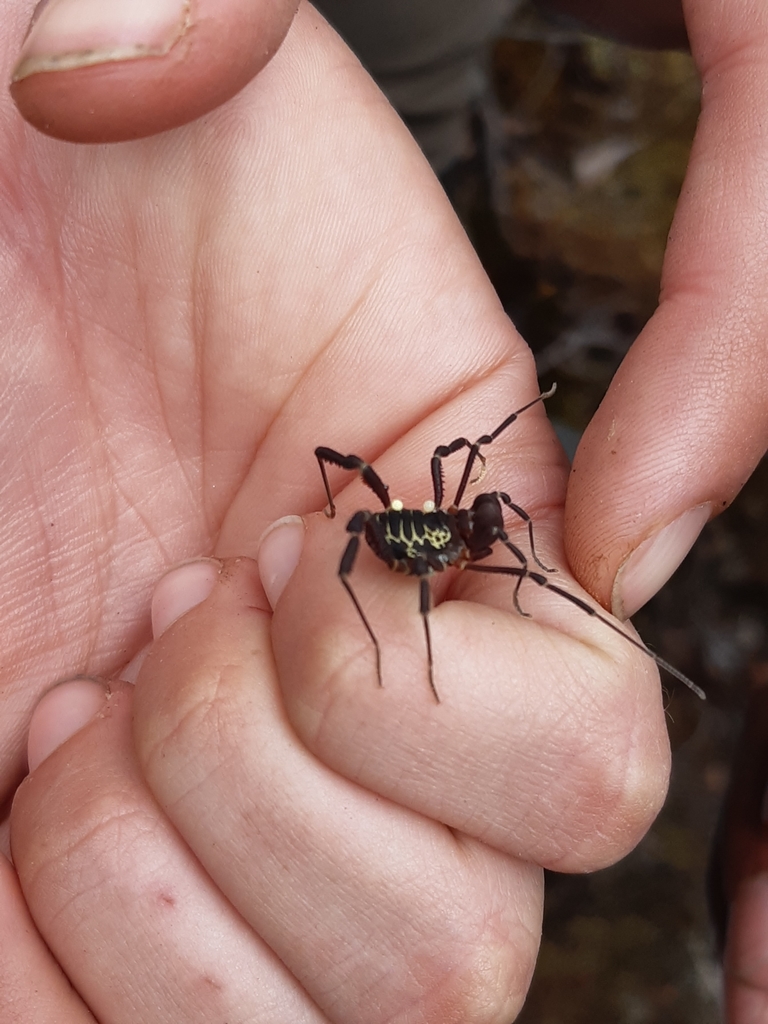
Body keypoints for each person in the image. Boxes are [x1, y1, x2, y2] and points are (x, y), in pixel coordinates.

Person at [1, 1, 766, 1022]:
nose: (509, 535)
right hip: (398, 532)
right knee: (405, 553)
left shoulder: (477, 535)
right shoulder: (444, 522)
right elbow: (442, 463)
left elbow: (474, 480)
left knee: (488, 625)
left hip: (413, 526)